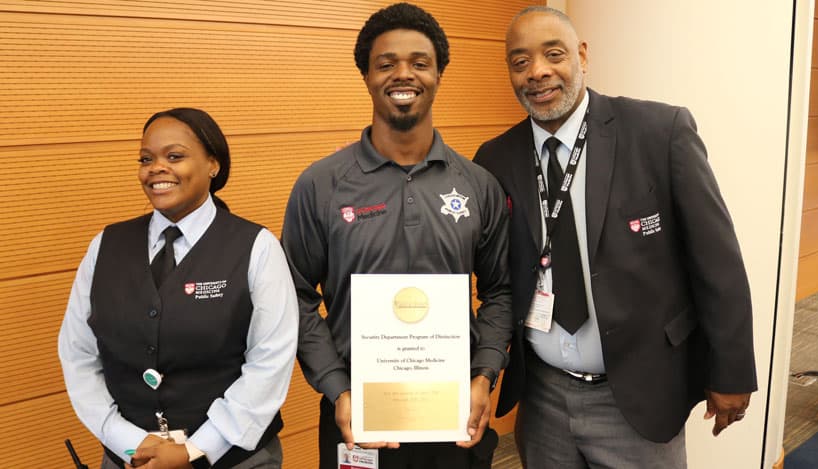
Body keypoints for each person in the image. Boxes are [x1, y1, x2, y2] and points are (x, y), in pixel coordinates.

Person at [473, 7, 757, 469]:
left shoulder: (659, 132)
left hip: (638, 396)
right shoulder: (494, 159)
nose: (537, 72)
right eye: (520, 62)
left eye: (553, 54)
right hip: (543, 399)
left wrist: (732, 370)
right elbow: (495, 276)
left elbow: (717, 260)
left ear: (582, 56)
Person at [281, 3, 512, 469]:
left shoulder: (477, 185)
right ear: (366, 75)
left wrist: (483, 376)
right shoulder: (321, 184)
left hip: (455, 416)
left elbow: (500, 291)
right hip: (356, 418)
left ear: (439, 74)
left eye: (419, 63)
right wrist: (337, 388)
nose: (403, 74)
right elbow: (295, 297)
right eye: (386, 64)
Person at [58, 108, 298, 469]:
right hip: (131, 459)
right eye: (146, 159)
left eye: (174, 156)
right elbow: (77, 353)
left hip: (233, 459)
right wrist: (130, 443)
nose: (156, 168)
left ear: (213, 164)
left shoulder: (257, 247)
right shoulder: (106, 245)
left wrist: (195, 449)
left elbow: (270, 361)